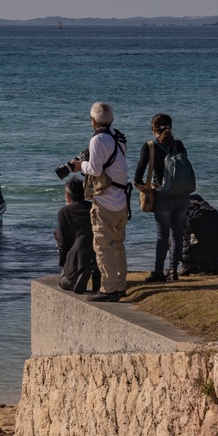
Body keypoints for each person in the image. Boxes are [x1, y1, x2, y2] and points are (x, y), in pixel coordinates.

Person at [69, 101, 129, 302]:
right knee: (118, 245)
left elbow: (94, 170)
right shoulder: (119, 137)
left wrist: (79, 166)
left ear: (93, 121)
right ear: (111, 119)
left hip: (105, 200)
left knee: (103, 247)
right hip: (122, 200)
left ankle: (109, 290)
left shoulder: (97, 141)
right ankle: (121, 285)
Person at [134, 113, 190, 283]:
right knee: (177, 234)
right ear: (170, 127)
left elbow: (138, 177)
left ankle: (158, 271)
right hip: (182, 196)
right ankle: (173, 270)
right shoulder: (179, 145)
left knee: (162, 235)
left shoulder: (149, 146)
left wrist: (143, 187)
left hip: (163, 196)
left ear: (153, 129)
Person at [55, 177, 101, 294]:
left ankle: (76, 279)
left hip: (78, 253)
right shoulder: (94, 207)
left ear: (68, 196)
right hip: (98, 251)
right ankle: (96, 277)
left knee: (63, 282)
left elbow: (63, 241)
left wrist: (63, 262)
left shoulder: (64, 212)